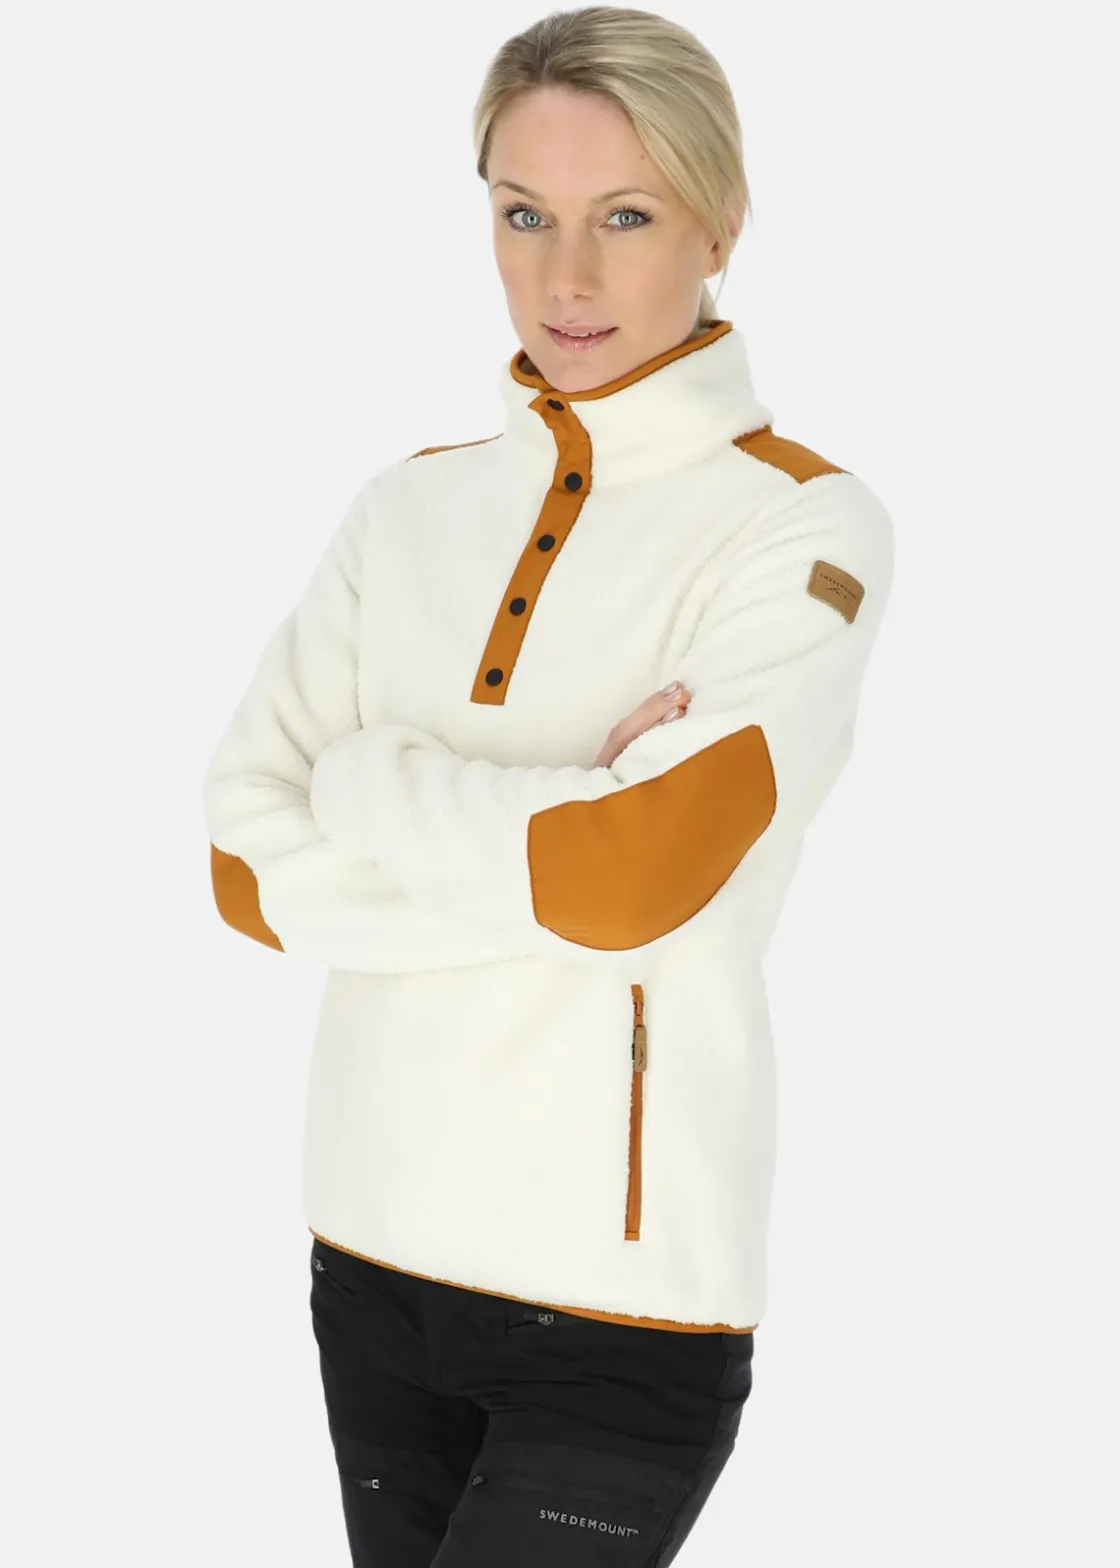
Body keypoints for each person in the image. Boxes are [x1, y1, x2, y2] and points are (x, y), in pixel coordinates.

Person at [201, 6, 895, 1563]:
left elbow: (631, 876)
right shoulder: (407, 509)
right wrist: (555, 810)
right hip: (367, 1248)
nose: (565, 278)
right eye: (524, 216)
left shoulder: (802, 527)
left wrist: (360, 779)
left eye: (623, 218)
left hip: (617, 1299)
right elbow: (243, 874)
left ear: (721, 221)